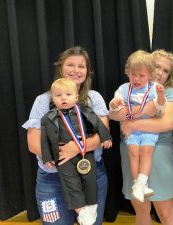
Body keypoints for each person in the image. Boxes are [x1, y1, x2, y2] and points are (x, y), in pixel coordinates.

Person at [22, 46, 110, 225]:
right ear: (60, 68)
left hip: (90, 173)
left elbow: (102, 135)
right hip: (52, 178)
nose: (76, 70)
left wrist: (75, 149)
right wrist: (63, 156)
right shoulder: (42, 101)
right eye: (71, 65)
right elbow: (33, 144)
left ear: (87, 71)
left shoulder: (94, 98)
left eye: (81, 66)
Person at [110, 49, 173, 225]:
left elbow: (166, 124)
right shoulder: (129, 89)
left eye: (166, 71)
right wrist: (140, 112)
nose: (160, 73)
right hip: (131, 150)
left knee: (165, 213)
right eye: (157, 67)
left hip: (158, 153)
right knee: (141, 211)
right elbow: (114, 115)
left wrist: (132, 123)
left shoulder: (169, 93)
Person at [41, 78, 112, 225]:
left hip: (86, 154)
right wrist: (47, 157)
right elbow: (44, 140)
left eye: (68, 94)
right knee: (70, 184)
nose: (64, 98)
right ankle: (81, 211)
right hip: (63, 157)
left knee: (90, 181)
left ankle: (92, 207)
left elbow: (98, 124)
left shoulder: (85, 111)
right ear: (53, 99)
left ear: (76, 97)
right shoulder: (48, 118)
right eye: (58, 95)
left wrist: (106, 138)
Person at [109, 50, 166, 203]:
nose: (137, 78)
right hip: (131, 127)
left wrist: (160, 95)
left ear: (150, 75)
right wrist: (114, 104)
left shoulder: (154, 87)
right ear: (128, 72)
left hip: (148, 127)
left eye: (142, 75)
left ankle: (142, 182)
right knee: (133, 153)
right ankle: (137, 185)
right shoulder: (124, 88)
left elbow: (159, 107)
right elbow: (113, 110)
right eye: (133, 74)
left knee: (146, 151)